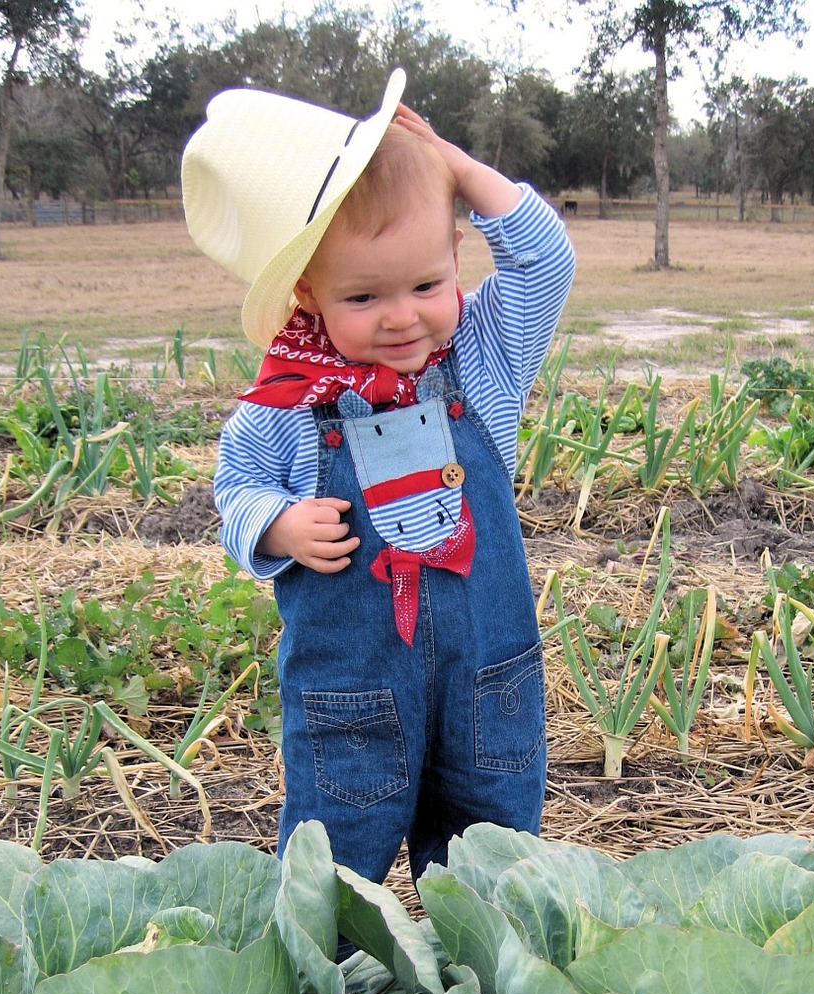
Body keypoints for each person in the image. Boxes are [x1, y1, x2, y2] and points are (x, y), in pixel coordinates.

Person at [182, 69, 575, 889]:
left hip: (485, 675)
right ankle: (328, 993)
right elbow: (237, 486)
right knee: (336, 852)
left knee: (491, 850)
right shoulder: (288, 403)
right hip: (352, 689)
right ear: (308, 294)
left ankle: (478, 990)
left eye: (427, 285)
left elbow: (544, 261)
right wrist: (278, 526)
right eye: (364, 296)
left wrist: (450, 167)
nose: (404, 317)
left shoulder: (481, 360)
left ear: (456, 257)